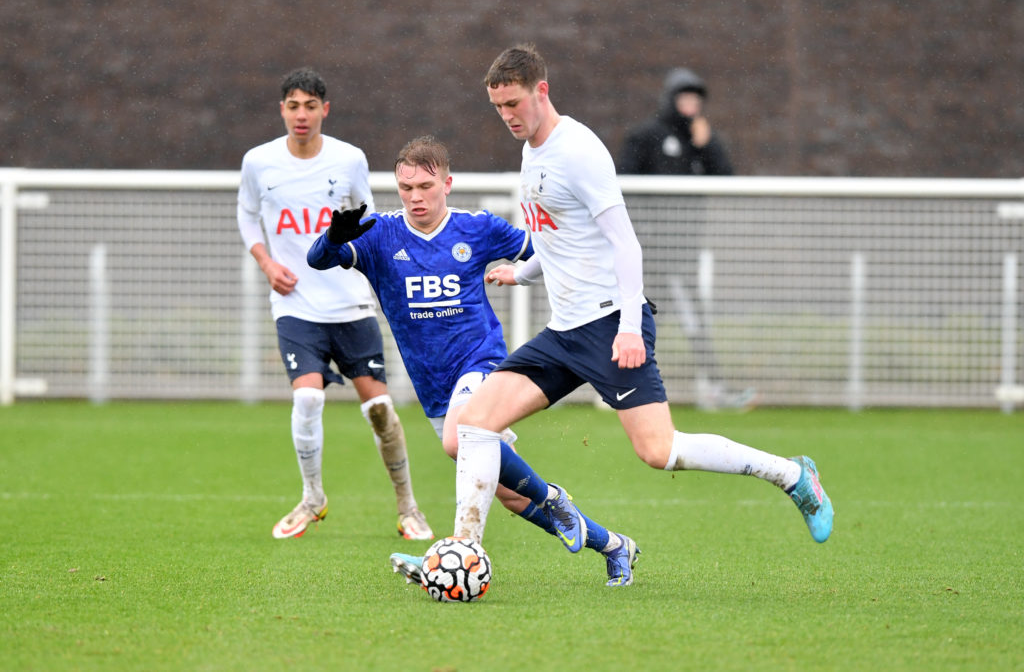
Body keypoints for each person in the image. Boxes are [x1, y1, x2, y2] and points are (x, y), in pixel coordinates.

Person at [440, 44, 833, 584]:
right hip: (564, 331)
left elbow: (626, 244)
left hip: (608, 326)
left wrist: (629, 327)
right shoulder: (532, 149)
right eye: (498, 106)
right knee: (472, 426)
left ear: (542, 91)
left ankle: (792, 476)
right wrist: (522, 272)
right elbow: (555, 235)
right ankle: (464, 553)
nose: (507, 116)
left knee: (660, 451)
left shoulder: (578, 150)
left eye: (514, 103)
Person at [307, 135, 638, 586]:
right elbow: (318, 260)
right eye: (406, 188)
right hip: (432, 383)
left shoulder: (478, 228)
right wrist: (331, 238)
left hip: (480, 361)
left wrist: (577, 294)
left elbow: (548, 253)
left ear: (447, 183)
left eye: (425, 186)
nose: (415, 197)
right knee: (512, 495)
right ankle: (615, 546)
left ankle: (463, 551)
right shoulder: (381, 234)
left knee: (457, 439)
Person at [236, 67, 433, 541]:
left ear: (324, 109)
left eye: (310, 106)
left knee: (381, 410)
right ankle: (312, 498)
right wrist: (266, 263)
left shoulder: (349, 160)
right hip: (295, 307)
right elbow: (247, 217)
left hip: (350, 307)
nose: (300, 115)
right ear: (281, 109)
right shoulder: (258, 162)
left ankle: (408, 508)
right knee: (306, 397)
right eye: (292, 105)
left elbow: (366, 223)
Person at [618, 67, 756, 411]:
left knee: (690, 318)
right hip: (648, 253)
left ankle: (713, 388)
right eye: (685, 97)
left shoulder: (700, 139)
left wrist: (706, 146)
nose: (691, 104)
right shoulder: (646, 136)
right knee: (636, 317)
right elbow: (624, 189)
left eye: (696, 98)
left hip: (683, 254)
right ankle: (618, 385)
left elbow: (724, 178)